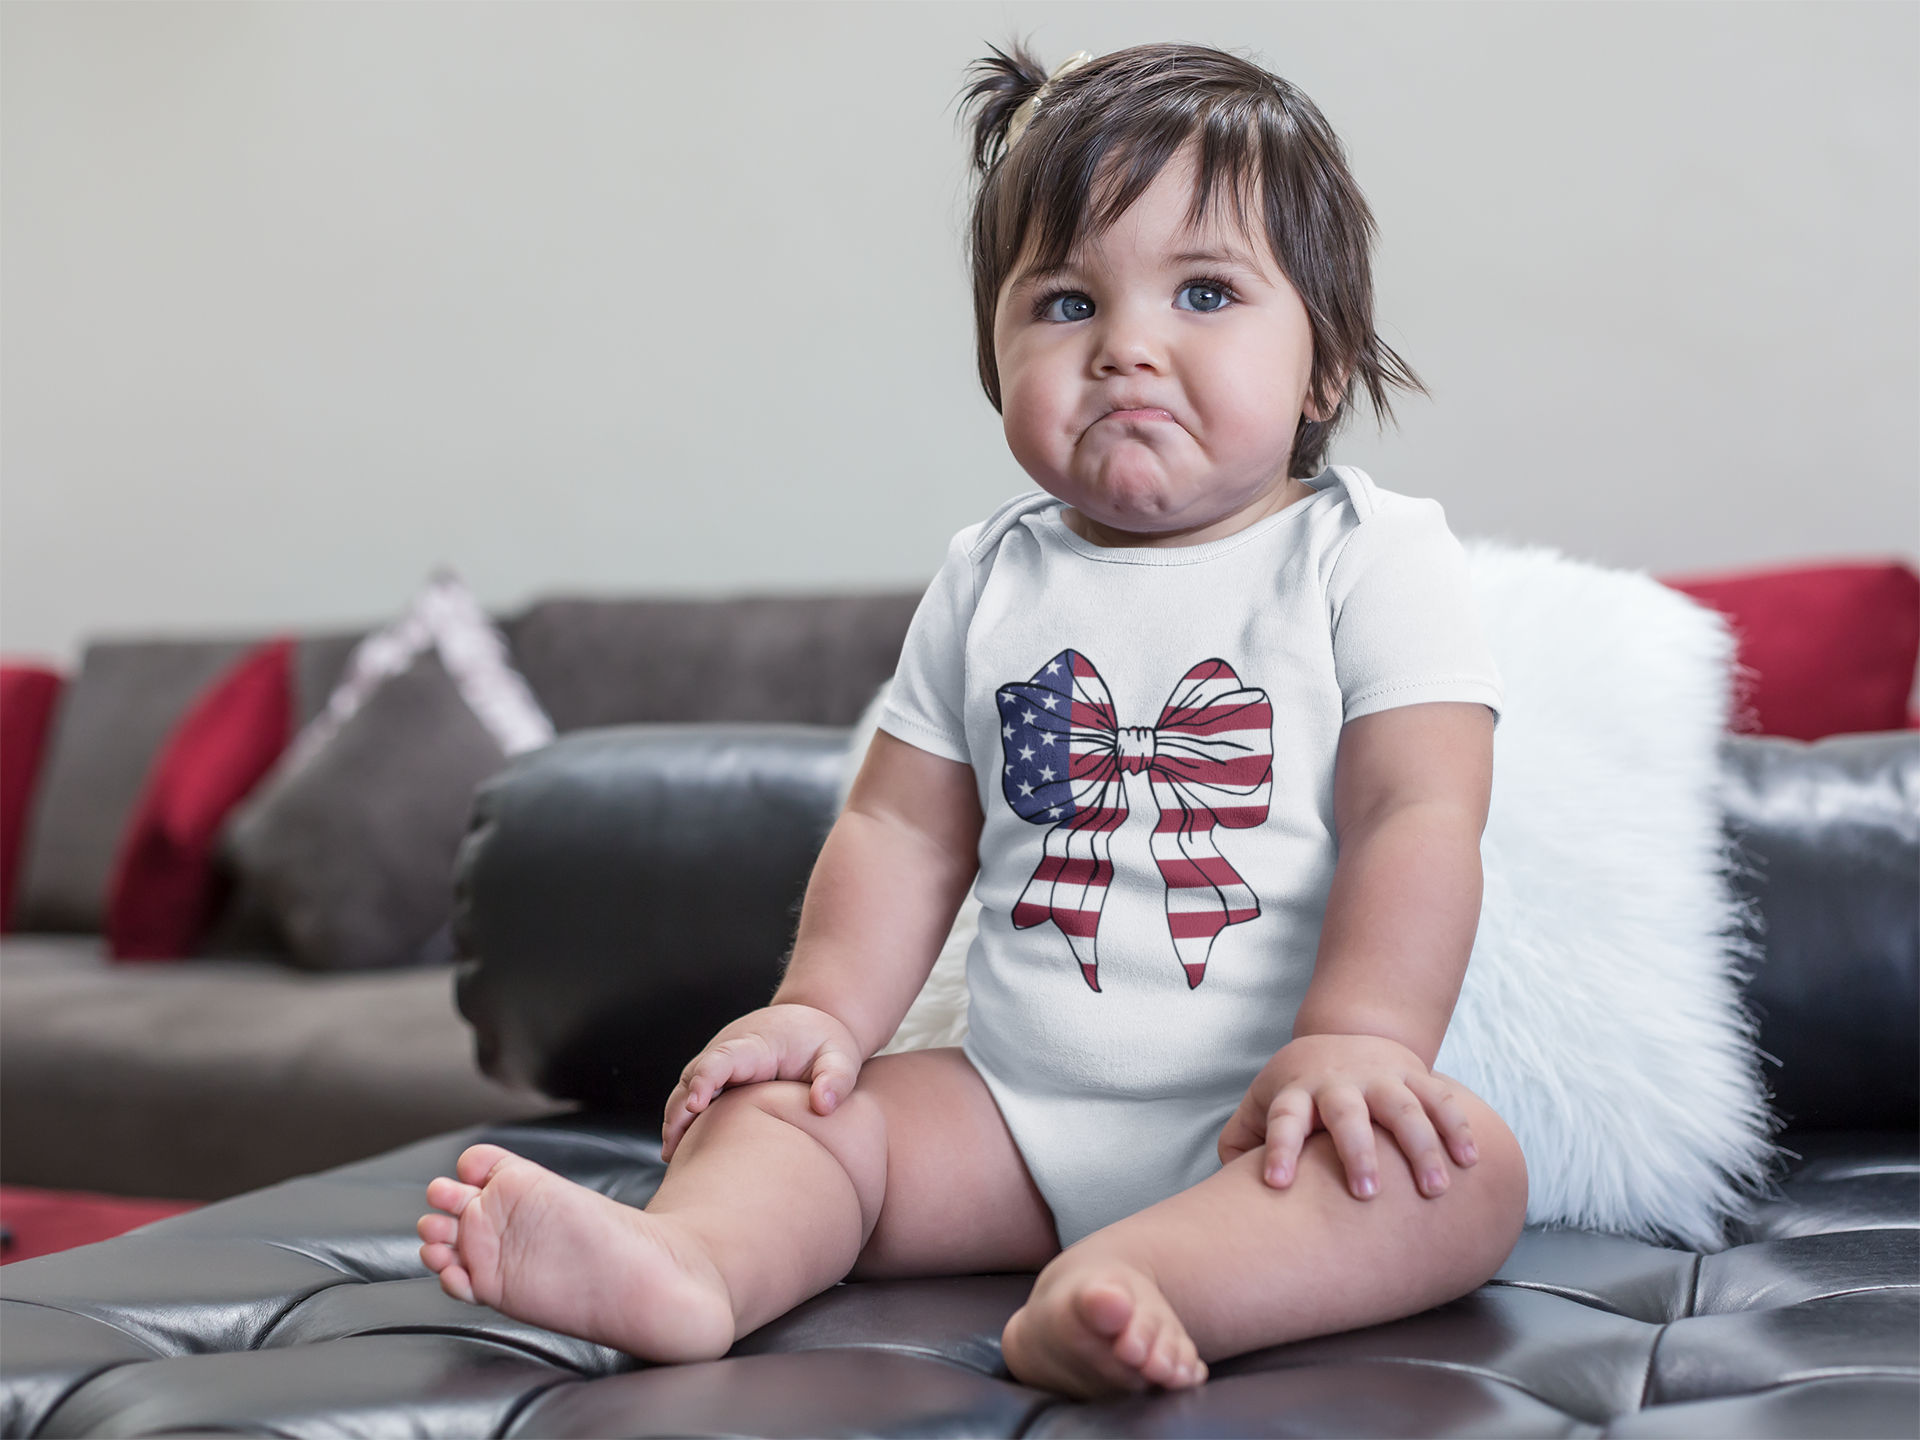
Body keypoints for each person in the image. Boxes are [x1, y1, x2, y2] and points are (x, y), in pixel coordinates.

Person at [417, 41, 1529, 1398]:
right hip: (1004, 1115)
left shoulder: (1370, 555)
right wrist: (820, 1010)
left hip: (1265, 1120)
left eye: (1204, 291)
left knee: (1464, 1175)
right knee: (790, 1114)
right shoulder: (993, 574)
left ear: (1325, 366)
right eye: (1066, 302)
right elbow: (900, 829)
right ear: (996, 361)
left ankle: (1144, 1283)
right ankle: (692, 1265)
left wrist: (1362, 1035)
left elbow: (1419, 808)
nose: (1127, 345)